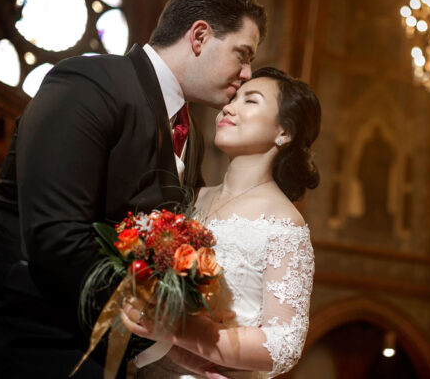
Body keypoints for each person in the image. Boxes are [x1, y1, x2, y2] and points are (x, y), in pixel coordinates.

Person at [0, 0, 266, 378]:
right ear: (199, 36)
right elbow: (55, 235)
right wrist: (161, 332)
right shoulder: (88, 83)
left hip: (96, 351)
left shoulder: (193, 135)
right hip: (10, 337)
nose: (247, 73)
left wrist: (173, 345)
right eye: (243, 53)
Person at [121, 66, 320, 379]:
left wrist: (179, 329)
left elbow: (284, 345)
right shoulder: (189, 196)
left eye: (250, 101)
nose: (229, 107)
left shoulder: (284, 223)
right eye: (233, 98)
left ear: (285, 132)